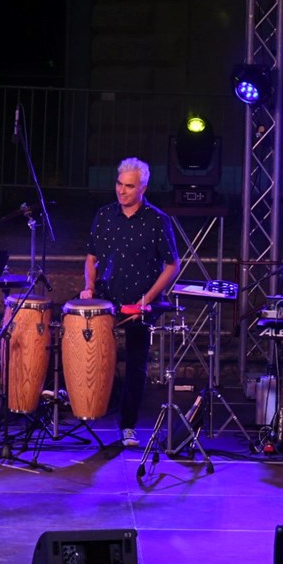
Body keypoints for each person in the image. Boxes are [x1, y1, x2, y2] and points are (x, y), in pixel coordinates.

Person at [80, 157, 181, 447]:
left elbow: (172, 265)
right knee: (95, 356)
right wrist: (88, 287)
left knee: (136, 364)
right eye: (119, 184)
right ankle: (89, 409)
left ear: (143, 188)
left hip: (141, 302)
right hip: (107, 298)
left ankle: (128, 426)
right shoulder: (104, 215)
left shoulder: (157, 220)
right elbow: (91, 258)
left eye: (129, 186)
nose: (121, 191)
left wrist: (145, 300)